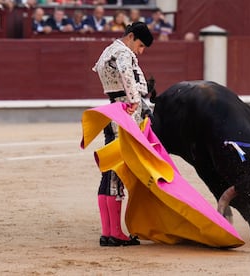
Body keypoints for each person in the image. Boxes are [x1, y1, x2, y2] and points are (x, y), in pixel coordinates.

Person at [92, 22, 153, 247]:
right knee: (118, 172)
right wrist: (136, 100)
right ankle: (115, 233)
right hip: (126, 114)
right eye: (140, 45)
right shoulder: (122, 52)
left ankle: (108, 232)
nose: (140, 50)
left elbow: (100, 71)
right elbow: (126, 74)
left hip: (112, 111)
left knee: (109, 172)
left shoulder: (108, 50)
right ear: (130, 37)